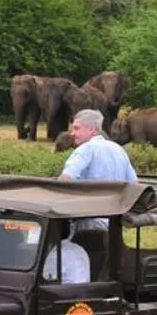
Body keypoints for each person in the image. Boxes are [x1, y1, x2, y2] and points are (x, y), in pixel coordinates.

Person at [53, 108, 137, 282]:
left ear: (91, 129)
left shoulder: (85, 150)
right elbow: (134, 185)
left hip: (87, 226)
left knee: (82, 269)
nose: (72, 133)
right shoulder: (118, 149)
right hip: (114, 226)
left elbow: (65, 181)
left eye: (76, 128)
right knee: (107, 271)